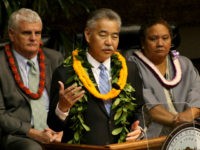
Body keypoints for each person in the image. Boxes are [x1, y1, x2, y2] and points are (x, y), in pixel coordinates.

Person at [47, 8, 143, 145]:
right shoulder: (66, 73)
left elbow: (140, 109)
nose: (109, 42)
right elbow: (54, 125)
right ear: (87, 34)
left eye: (115, 36)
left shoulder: (129, 69)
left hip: (121, 147)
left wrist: (139, 129)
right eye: (103, 35)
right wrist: (62, 108)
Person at [0, 8, 64, 150]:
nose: (33, 38)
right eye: (26, 33)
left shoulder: (55, 58)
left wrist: (61, 129)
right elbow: (1, 115)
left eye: (38, 33)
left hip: (55, 130)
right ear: (11, 34)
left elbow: (67, 101)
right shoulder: (1, 64)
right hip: (18, 135)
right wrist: (32, 132)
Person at [127, 18, 200, 138]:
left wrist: (189, 115)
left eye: (165, 38)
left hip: (190, 132)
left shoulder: (184, 64)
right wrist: (178, 122)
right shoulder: (133, 66)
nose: (160, 43)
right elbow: (148, 104)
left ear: (171, 40)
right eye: (153, 39)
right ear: (143, 42)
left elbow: (197, 93)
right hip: (153, 136)